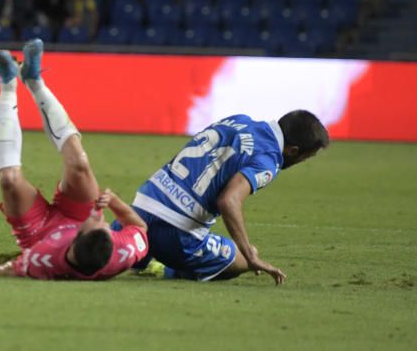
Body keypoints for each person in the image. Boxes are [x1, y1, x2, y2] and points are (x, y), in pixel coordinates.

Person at [0, 40, 150, 279]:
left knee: (9, 180)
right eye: (105, 225)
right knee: (80, 164)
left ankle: (8, 84)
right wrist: (114, 201)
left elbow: (10, 270)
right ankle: (34, 80)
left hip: (38, 230)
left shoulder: (44, 259)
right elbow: (139, 228)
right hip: (76, 212)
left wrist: (0, 271)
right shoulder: (122, 253)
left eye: (97, 222)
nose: (101, 218)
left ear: (76, 239)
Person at [129, 110, 329, 283]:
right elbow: (228, 200)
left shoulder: (239, 119)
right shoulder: (269, 160)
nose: (301, 161)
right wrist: (250, 257)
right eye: (305, 157)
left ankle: (138, 253)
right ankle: (168, 269)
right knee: (244, 256)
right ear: (294, 150)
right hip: (177, 233)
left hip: (140, 208)